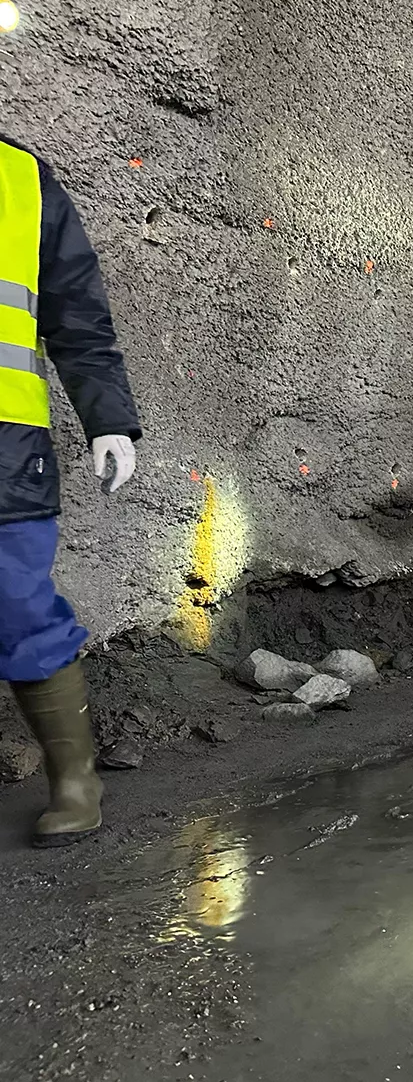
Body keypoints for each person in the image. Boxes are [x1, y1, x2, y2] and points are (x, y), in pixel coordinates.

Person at [1, 137, 141, 847]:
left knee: (19, 603)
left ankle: (75, 778)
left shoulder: (23, 180)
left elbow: (77, 315)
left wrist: (109, 420)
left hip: (6, 447)